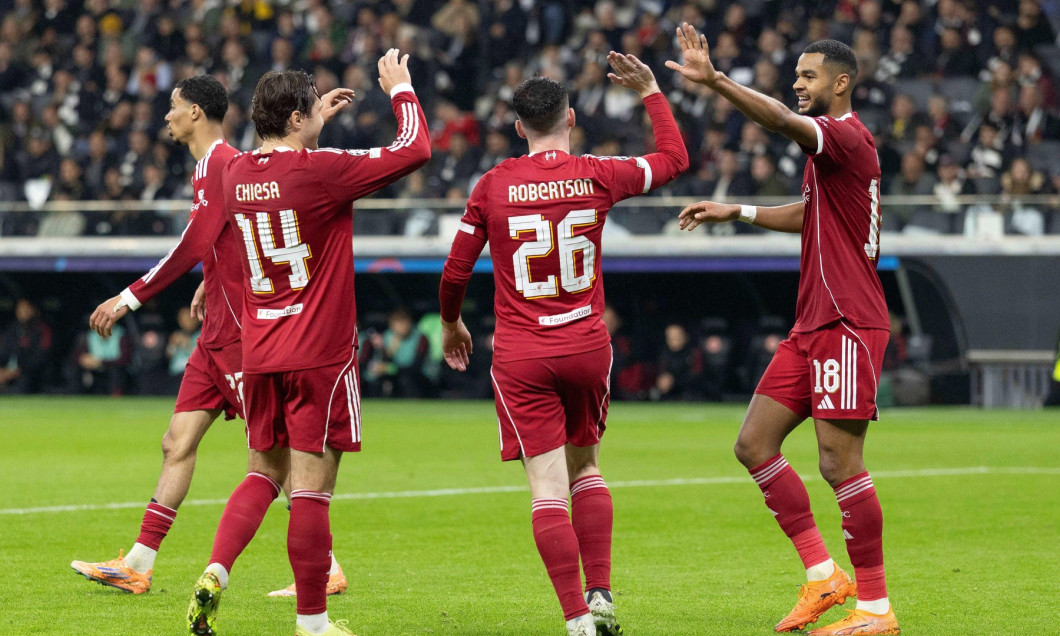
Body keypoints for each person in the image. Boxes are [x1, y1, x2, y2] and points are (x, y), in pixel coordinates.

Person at [69, 75, 348, 599]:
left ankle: (326, 565)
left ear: (196, 111)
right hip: (214, 337)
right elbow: (230, 241)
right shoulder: (208, 169)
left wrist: (128, 298)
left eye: (173, 107)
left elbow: (196, 239)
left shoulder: (224, 163)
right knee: (176, 442)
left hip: (244, 338)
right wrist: (209, 280)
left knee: (270, 460)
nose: (166, 117)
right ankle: (138, 563)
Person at [438, 54, 688, 636]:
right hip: (586, 345)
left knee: (546, 489)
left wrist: (451, 323)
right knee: (588, 468)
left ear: (519, 127)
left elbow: (454, 274)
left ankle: (576, 619)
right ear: (570, 118)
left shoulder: (492, 185)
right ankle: (600, 596)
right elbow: (675, 159)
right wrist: (651, 91)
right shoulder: (599, 174)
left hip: (523, 353)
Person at [187, 51, 429, 636]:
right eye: (308, 108)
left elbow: (285, 160)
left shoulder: (236, 172)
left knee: (263, 472)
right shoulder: (324, 171)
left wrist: (311, 119)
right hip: (320, 353)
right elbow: (415, 149)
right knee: (313, 490)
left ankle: (215, 570)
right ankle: (313, 621)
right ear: (295, 119)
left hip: (261, 352)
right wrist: (402, 90)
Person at [668, 24, 899, 635]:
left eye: (807, 76)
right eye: (795, 76)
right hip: (812, 322)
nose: (796, 85)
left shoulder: (844, 136)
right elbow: (808, 213)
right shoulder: (828, 156)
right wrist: (736, 209)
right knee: (754, 444)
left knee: (838, 464)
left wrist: (715, 80)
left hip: (848, 320)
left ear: (841, 83)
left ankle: (876, 609)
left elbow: (776, 120)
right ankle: (825, 577)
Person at [0, 298, 53, 394]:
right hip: (7, 372)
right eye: (20, 309)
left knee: (22, 383)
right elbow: (3, 351)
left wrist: (18, 371)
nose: (23, 312)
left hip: (30, 374)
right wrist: (3, 370)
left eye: (26, 309)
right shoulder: (11, 330)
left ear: (33, 310)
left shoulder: (42, 330)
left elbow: (41, 357)